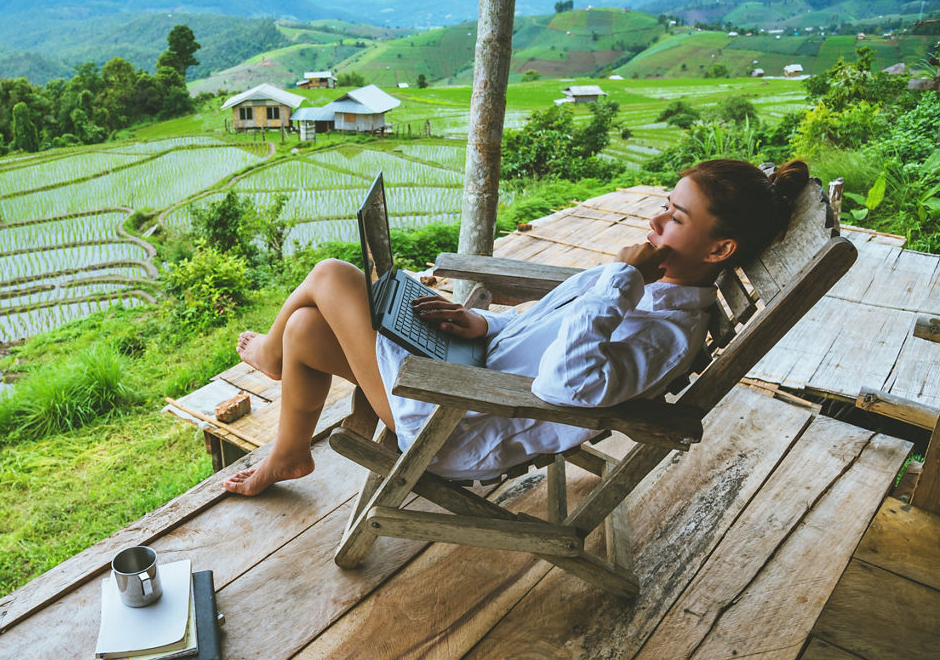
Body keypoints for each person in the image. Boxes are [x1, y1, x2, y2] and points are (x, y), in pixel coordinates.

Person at [224, 159, 810, 496]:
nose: (655, 220)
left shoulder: (667, 333)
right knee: (307, 327)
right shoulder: (641, 286)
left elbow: (566, 387)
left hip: (452, 421)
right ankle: (293, 451)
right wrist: (480, 323)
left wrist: (621, 281)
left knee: (333, 276)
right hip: (464, 376)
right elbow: (541, 329)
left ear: (720, 249)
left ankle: (272, 362)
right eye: (664, 204)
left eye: (676, 218)